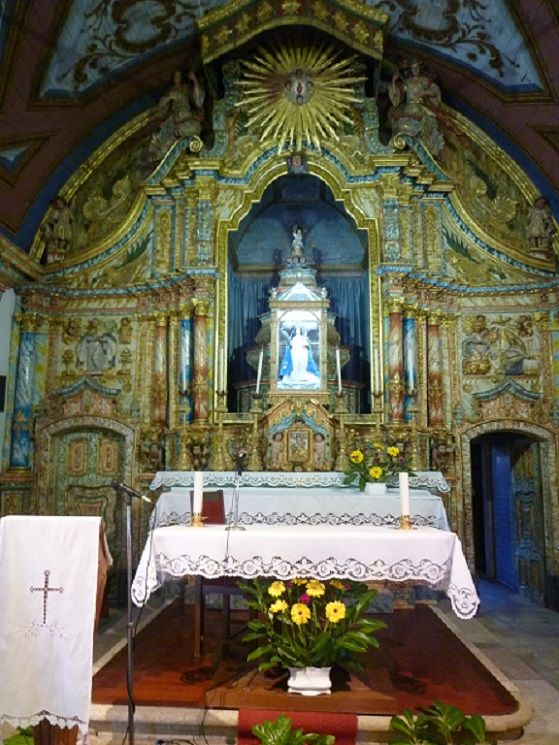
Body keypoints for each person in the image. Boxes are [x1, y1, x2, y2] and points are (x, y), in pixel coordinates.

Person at [388, 60, 444, 155]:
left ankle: (423, 145)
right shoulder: (407, 82)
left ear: (420, 69)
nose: (415, 70)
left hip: (420, 108)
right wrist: (394, 80)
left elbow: (435, 91)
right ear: (411, 70)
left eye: (417, 67)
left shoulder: (424, 81)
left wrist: (424, 93)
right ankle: (406, 143)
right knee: (402, 124)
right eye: (413, 68)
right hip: (408, 108)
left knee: (428, 123)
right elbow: (397, 94)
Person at [148, 70, 205, 161]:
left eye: (178, 76)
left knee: (175, 132)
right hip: (174, 118)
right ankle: (159, 156)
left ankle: (163, 154)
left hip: (186, 116)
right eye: (175, 76)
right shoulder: (170, 91)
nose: (176, 78)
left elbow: (198, 100)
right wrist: (168, 98)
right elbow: (162, 108)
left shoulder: (186, 89)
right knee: (162, 135)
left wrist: (194, 79)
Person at [41, 196, 72, 263]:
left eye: (60, 203)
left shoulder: (67, 210)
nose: (59, 205)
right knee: (57, 237)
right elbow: (52, 219)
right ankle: (57, 248)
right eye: (57, 204)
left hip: (65, 227)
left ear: (63, 203)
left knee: (64, 238)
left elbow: (71, 217)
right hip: (58, 227)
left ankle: (61, 248)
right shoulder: (56, 212)